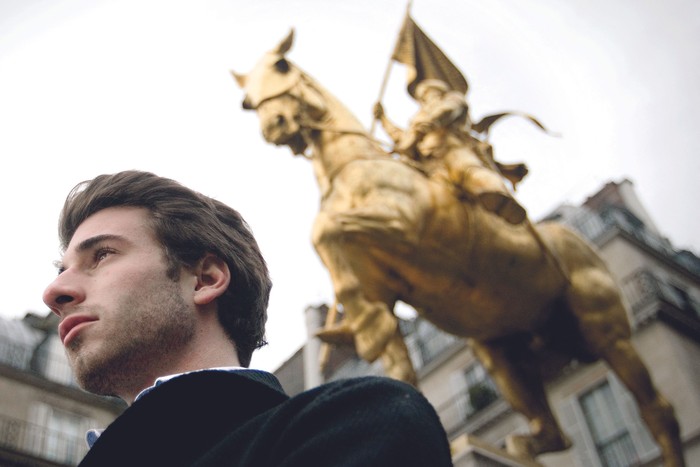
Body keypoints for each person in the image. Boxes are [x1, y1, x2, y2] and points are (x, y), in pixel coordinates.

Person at [42, 170, 453, 467]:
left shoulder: (356, 423)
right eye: (62, 271)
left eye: (102, 255)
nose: (54, 293)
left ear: (205, 279)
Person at [374, 79, 527, 224]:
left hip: (452, 149)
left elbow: (446, 112)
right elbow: (401, 138)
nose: (425, 96)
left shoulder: (453, 99)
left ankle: (502, 199)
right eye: (423, 95)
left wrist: (421, 129)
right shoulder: (419, 116)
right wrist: (383, 119)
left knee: (468, 172)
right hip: (429, 163)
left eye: (428, 92)